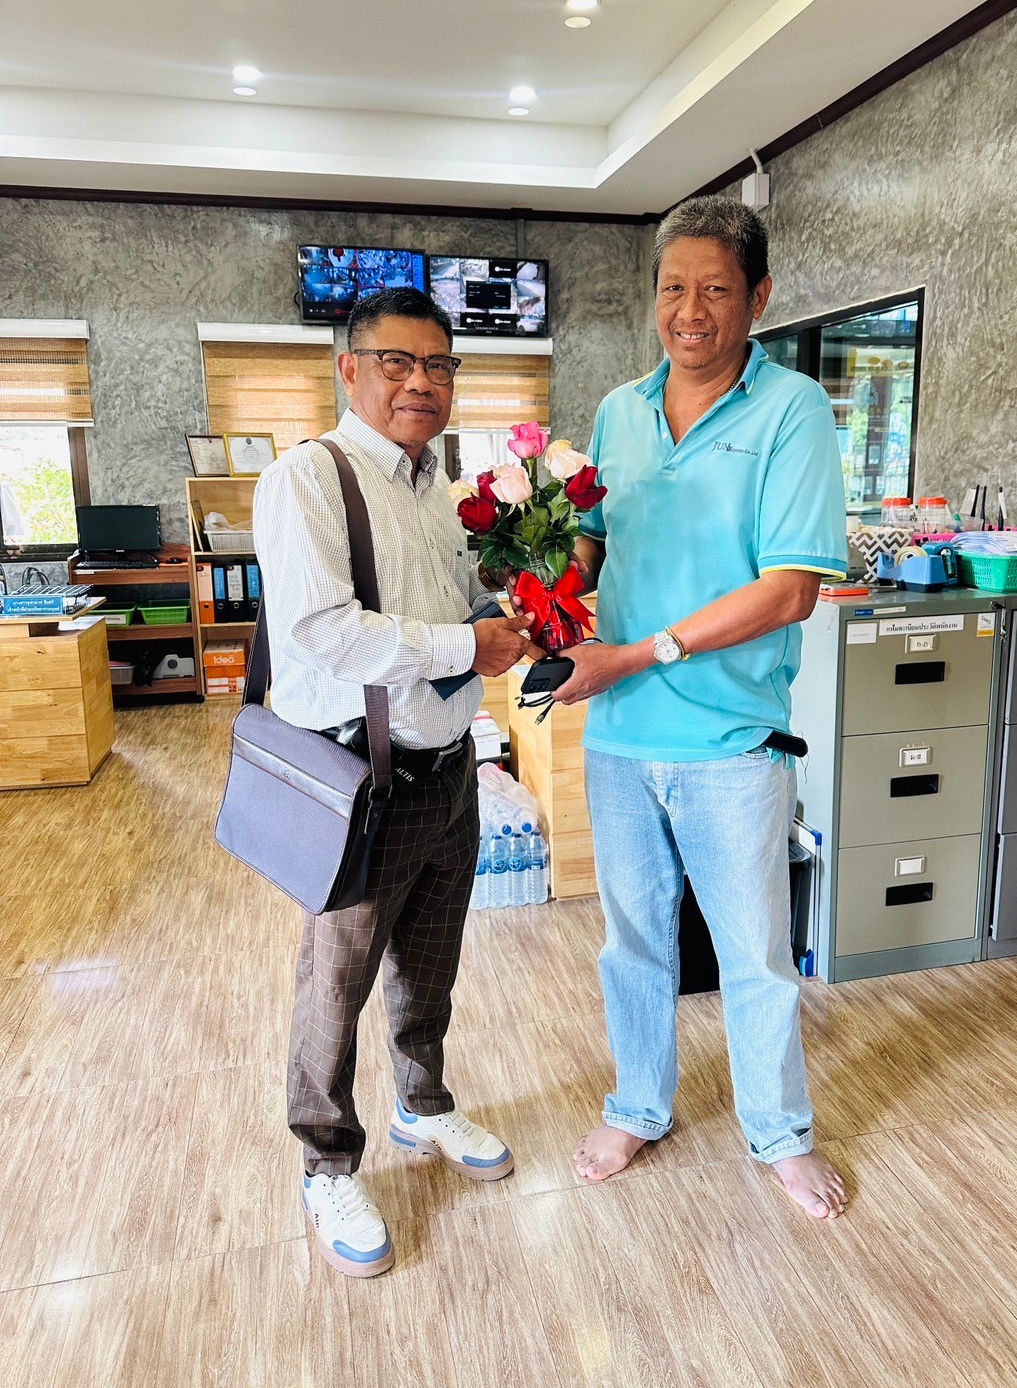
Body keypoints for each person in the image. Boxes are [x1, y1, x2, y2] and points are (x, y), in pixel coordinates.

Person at [551, 195, 849, 1220]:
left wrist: (643, 651)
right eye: (673, 287)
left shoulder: (792, 410)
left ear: (757, 298)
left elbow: (790, 589)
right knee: (633, 941)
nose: (690, 310)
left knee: (752, 951)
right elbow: (591, 544)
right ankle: (638, 1105)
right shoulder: (618, 412)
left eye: (715, 289)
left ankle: (781, 1132)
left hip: (731, 740)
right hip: (620, 735)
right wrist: (538, 576)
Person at [252, 286, 536, 1277]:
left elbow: (453, 601)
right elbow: (322, 630)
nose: (421, 382)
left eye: (439, 365)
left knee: (430, 959)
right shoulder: (307, 479)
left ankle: (423, 1103)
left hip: (452, 769)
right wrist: (466, 642)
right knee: (337, 980)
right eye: (397, 362)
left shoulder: (436, 484)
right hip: (363, 779)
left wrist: (512, 604)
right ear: (350, 369)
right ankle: (326, 1159)